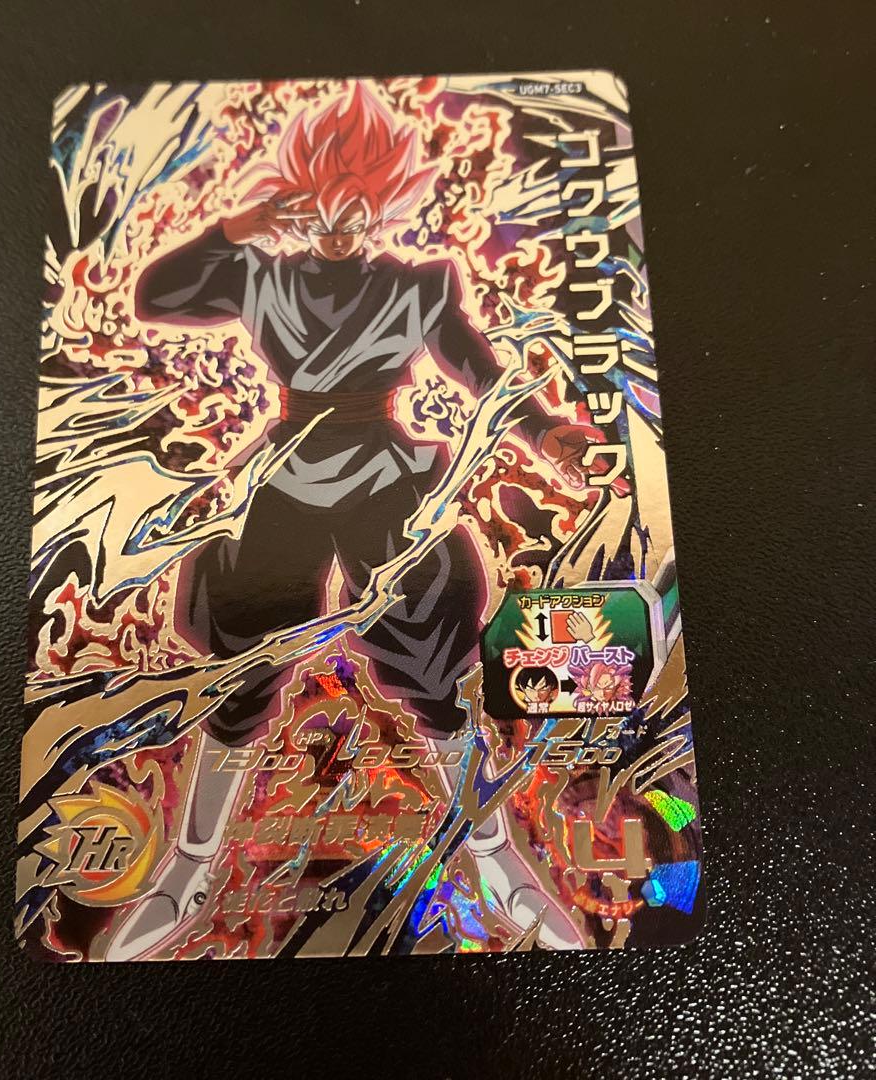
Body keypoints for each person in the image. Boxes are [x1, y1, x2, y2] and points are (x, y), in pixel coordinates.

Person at [102, 84, 599, 959]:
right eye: (321, 200)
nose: (338, 222)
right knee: (243, 664)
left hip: (384, 476)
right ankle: (188, 872)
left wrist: (542, 432)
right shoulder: (261, 274)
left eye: (358, 202)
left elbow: (479, 373)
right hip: (285, 474)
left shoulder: (417, 285)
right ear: (297, 194)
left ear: (387, 201)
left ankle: (496, 860)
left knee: (433, 666)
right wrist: (237, 228)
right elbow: (155, 295)